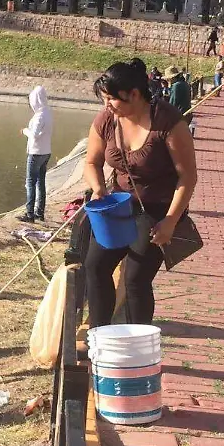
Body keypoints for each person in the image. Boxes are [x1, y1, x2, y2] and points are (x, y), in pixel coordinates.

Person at [83, 59, 198, 328]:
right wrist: (99, 189)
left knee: (135, 278)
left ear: (134, 94)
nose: (107, 106)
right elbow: (91, 162)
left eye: (112, 99)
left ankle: (136, 347)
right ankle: (98, 338)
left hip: (158, 210)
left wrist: (170, 221)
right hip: (119, 205)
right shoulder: (107, 120)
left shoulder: (168, 122)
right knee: (95, 266)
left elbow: (188, 176)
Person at [18, 86, 54, 223]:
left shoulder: (39, 116)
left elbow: (34, 135)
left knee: (30, 183)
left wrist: (25, 130)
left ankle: (29, 214)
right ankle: (40, 213)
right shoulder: (48, 113)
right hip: (46, 152)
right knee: (41, 183)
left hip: (36, 153)